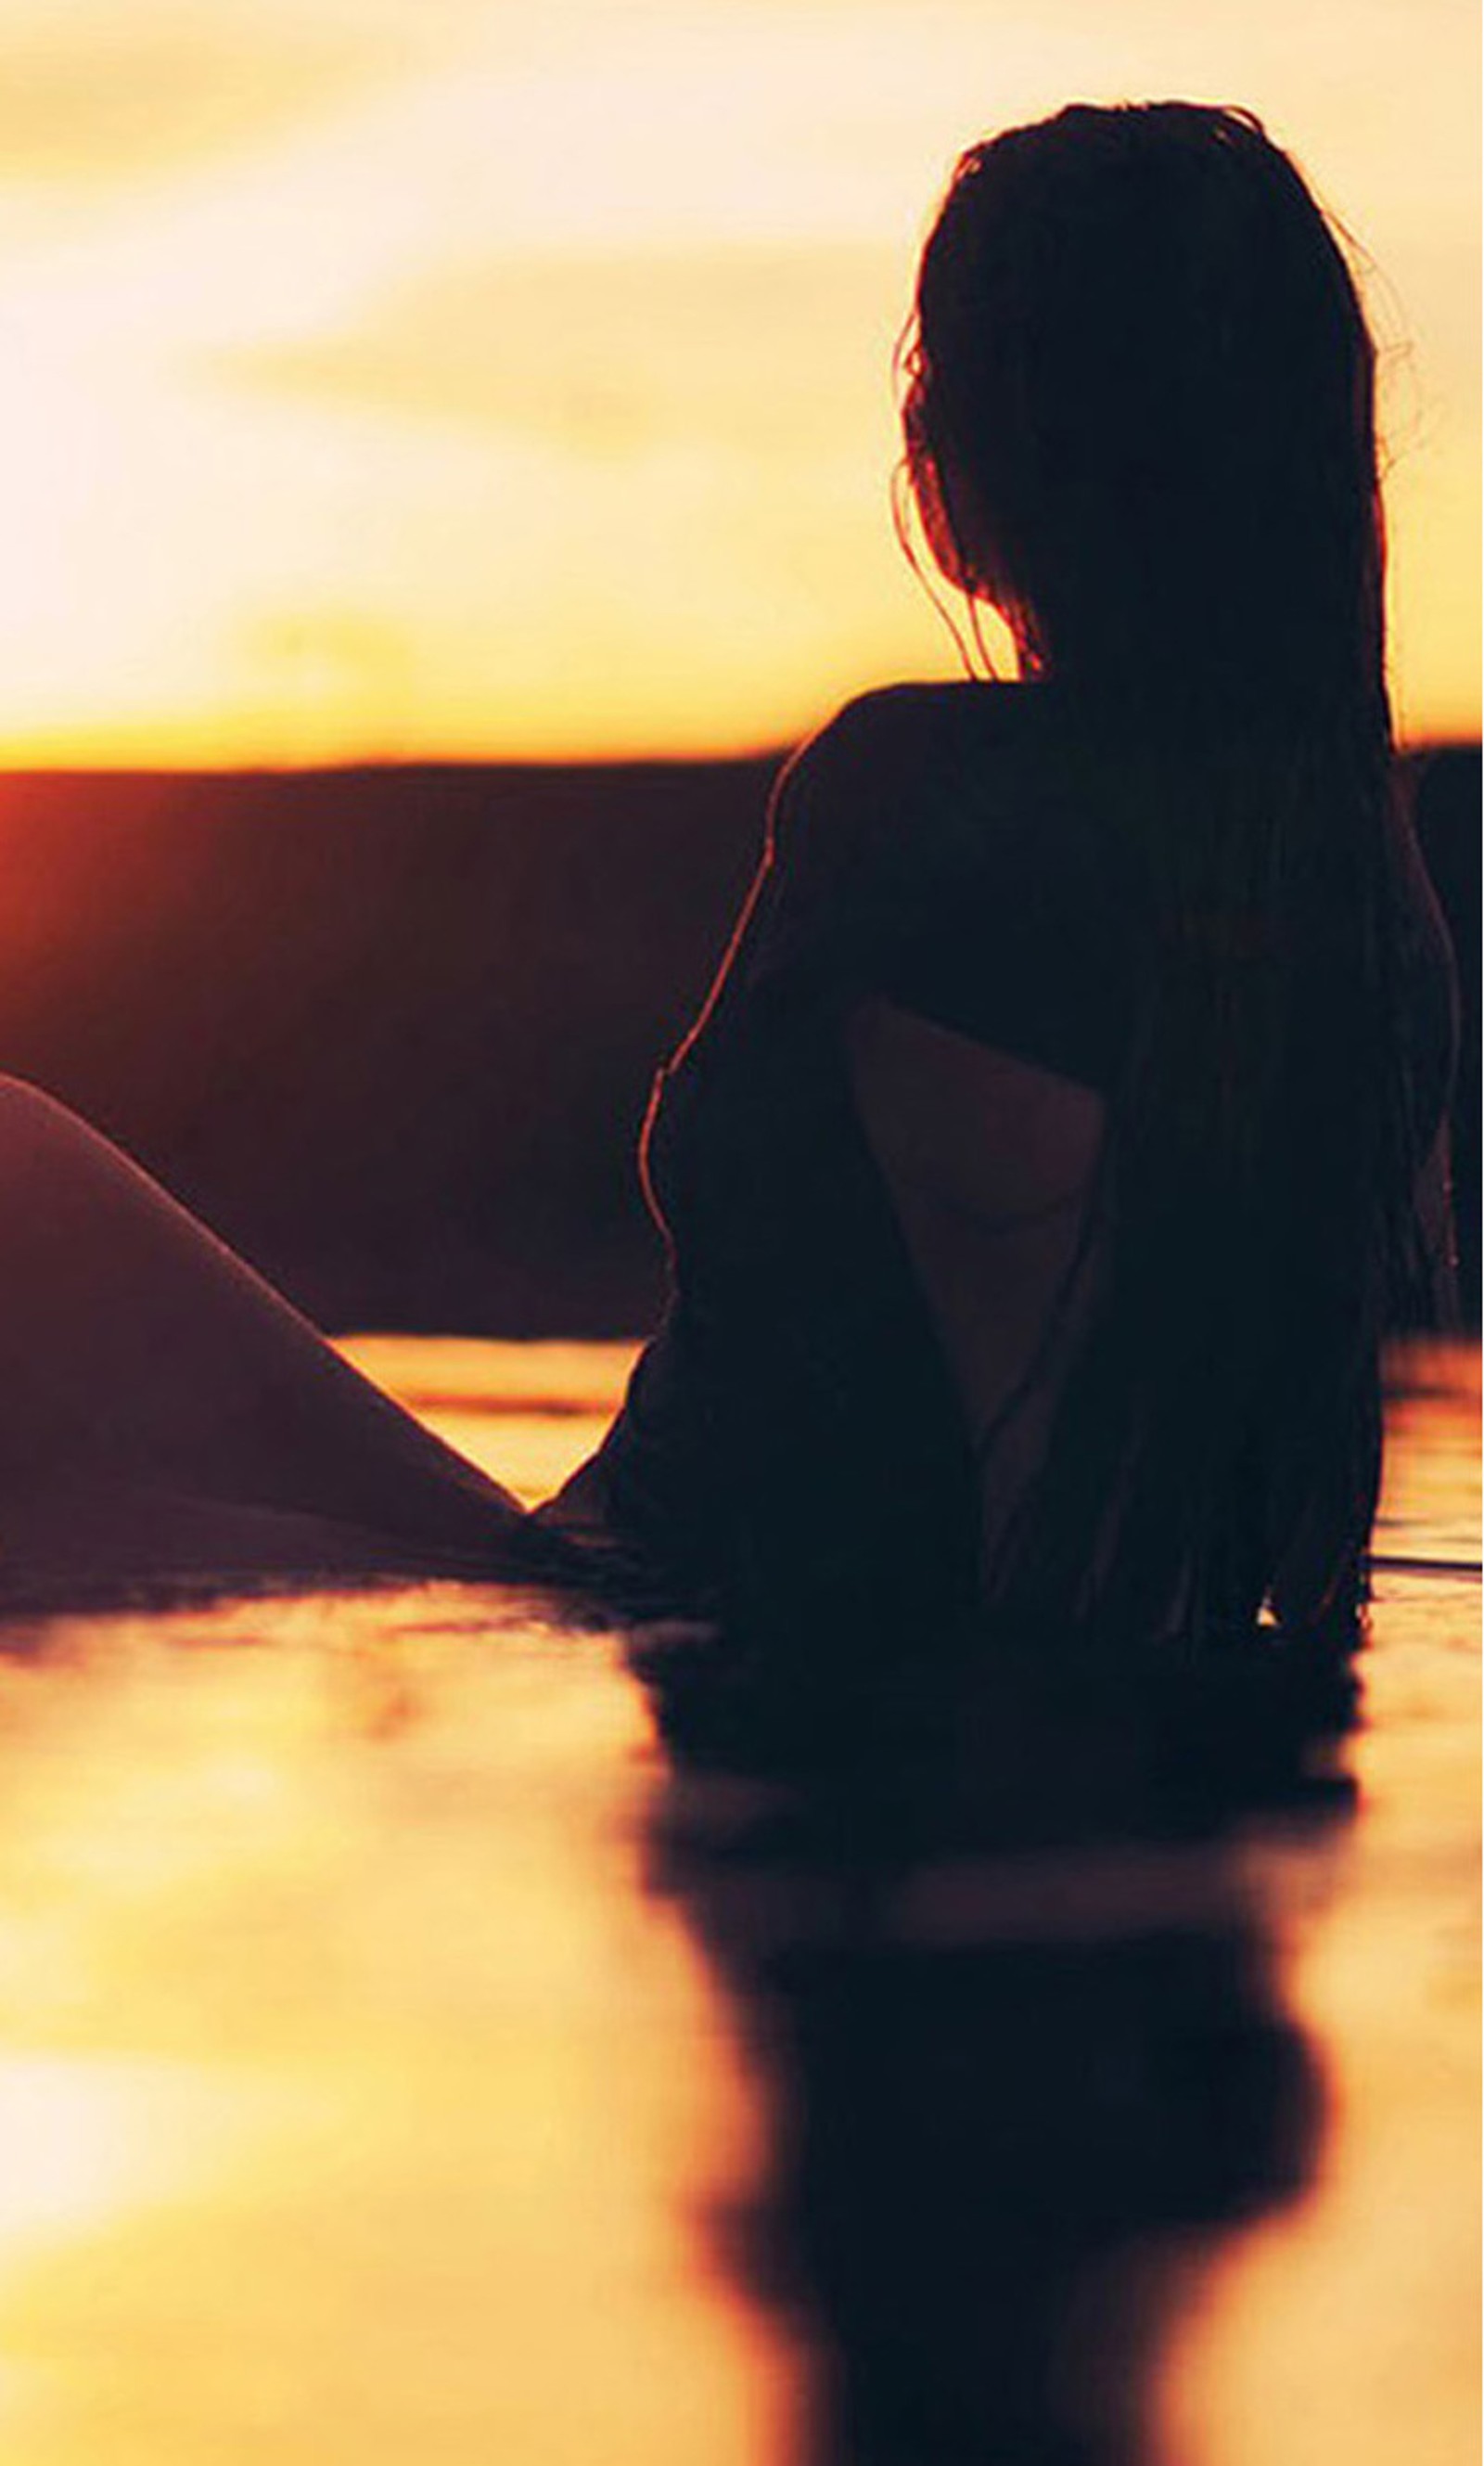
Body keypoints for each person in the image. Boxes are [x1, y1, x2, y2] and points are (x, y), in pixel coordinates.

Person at [0, 102, 1455, 1649]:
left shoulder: (939, 812)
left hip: (671, 1613)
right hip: (676, 1600)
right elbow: (1227, 1499)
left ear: (981, 470)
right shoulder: (1369, 902)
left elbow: (1056, 1538)